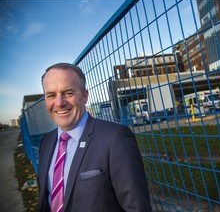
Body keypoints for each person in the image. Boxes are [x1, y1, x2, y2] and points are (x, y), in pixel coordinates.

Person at [37, 63, 152, 212]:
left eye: (68, 93)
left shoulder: (115, 138)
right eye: (51, 95)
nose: (59, 103)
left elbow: (137, 207)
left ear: (85, 96)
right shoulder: (46, 142)